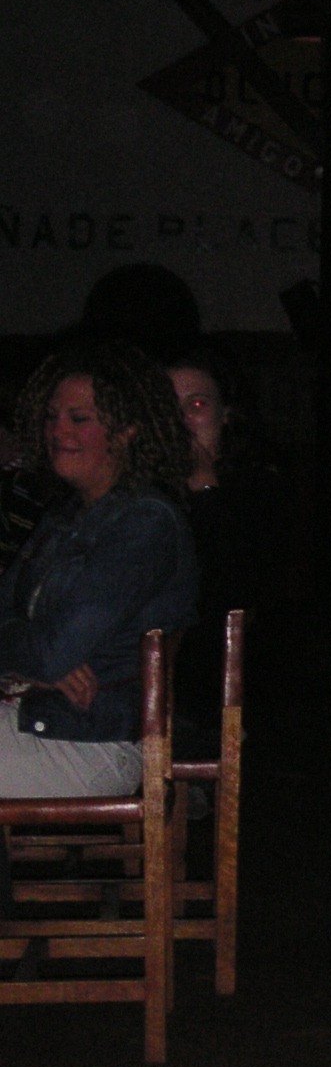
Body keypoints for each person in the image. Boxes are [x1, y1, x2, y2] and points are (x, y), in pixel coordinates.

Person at [0, 341, 197, 797]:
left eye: (78, 418)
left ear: (127, 429)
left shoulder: (143, 521)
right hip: (34, 717)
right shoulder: (66, 515)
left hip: (90, 741)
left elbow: (55, 654)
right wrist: (29, 661)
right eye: (51, 416)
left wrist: (36, 661)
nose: (58, 431)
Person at [164, 352, 285, 749]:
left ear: (225, 414)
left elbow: (241, 589)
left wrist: (203, 488)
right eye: (167, 406)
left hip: (214, 691)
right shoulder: (135, 497)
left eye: (196, 405)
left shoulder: (256, 489)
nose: (181, 420)